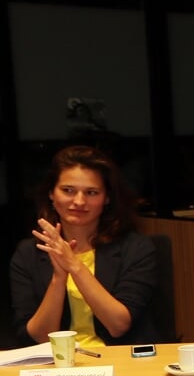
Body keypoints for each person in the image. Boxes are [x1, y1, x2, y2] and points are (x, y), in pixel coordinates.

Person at [9, 145, 158, 347]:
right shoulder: (28, 253)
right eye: (68, 190)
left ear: (107, 198)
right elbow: (40, 337)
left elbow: (119, 325)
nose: (79, 201)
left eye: (91, 192)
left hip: (120, 361)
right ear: (52, 194)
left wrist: (74, 265)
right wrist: (59, 277)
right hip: (55, 366)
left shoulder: (136, 248)